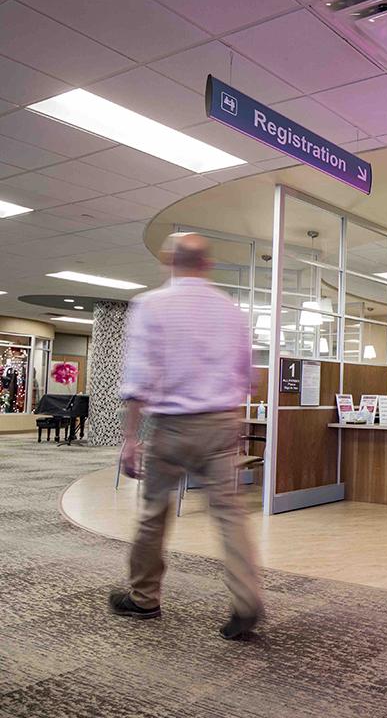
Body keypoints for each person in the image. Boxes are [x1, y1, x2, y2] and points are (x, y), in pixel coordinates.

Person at [108, 232, 262, 640]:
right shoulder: (231, 309)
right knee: (229, 514)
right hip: (221, 423)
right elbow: (248, 375)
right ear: (207, 264)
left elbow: (139, 376)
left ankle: (143, 599)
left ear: (169, 262)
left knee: (154, 512)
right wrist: (236, 422)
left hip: (172, 427)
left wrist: (130, 438)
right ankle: (246, 600)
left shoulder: (151, 305)